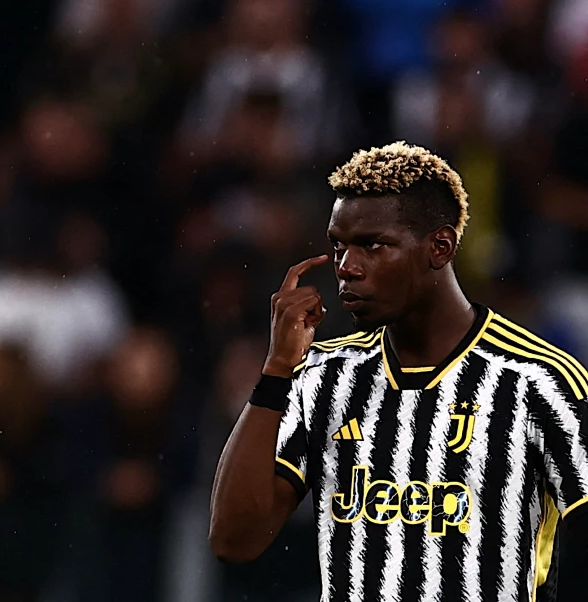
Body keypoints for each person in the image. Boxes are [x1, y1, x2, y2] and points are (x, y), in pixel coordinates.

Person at [209, 142, 588, 601]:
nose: (347, 268)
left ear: (440, 247)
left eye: (373, 245)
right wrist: (275, 371)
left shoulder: (538, 380)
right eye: (338, 246)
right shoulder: (321, 375)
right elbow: (233, 541)